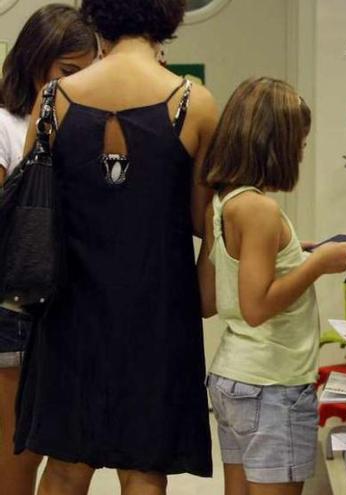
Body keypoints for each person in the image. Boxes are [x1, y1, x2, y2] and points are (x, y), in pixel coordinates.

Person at [13, 0, 219, 494]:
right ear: (170, 17)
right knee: (144, 468)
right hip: (158, 313)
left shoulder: (52, 100)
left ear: (96, 17)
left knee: (64, 465)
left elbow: (32, 206)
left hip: (68, 308)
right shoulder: (196, 103)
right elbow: (200, 220)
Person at [197, 77, 346, 495]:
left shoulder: (225, 200)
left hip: (234, 376)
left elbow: (210, 297)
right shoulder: (261, 209)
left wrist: (291, 255)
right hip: (274, 384)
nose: (301, 152)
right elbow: (257, 306)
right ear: (274, 143)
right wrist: (317, 264)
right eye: (299, 143)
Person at [0, 5, 95, 495]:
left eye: (86, 74)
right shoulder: (5, 126)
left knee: (66, 456)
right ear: (35, 62)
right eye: (67, 72)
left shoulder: (76, 126)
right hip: (15, 311)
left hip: (65, 311)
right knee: (17, 455)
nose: (76, 85)